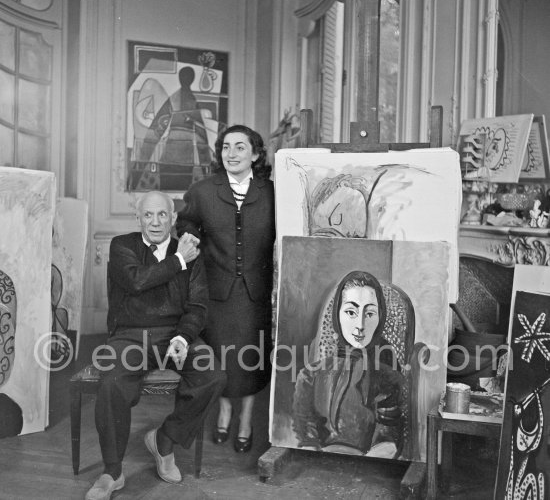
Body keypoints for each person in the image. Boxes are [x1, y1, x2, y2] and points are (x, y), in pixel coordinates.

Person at [85, 191, 226, 500]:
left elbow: (199, 306)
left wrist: (182, 337)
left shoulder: (190, 252)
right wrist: (178, 261)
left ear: (173, 219)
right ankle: (112, 472)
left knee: (213, 375)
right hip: (130, 335)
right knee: (112, 382)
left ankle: (164, 440)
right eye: (148, 215)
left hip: (175, 333)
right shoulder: (123, 246)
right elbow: (136, 280)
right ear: (138, 219)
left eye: (162, 214)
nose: (155, 221)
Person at [176, 124, 275, 453]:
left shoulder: (272, 192)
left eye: (240, 147)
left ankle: (246, 416)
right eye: (226, 147)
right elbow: (187, 221)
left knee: (250, 358)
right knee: (222, 358)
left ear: (256, 154)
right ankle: (225, 411)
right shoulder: (203, 190)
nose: (231, 154)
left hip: (255, 291)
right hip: (216, 291)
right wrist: (188, 234)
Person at [292, 271, 405, 458]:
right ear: (337, 314)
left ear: (380, 316)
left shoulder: (389, 377)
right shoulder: (310, 376)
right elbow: (306, 431)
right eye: (351, 312)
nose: (360, 325)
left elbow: (388, 436)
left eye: (369, 313)